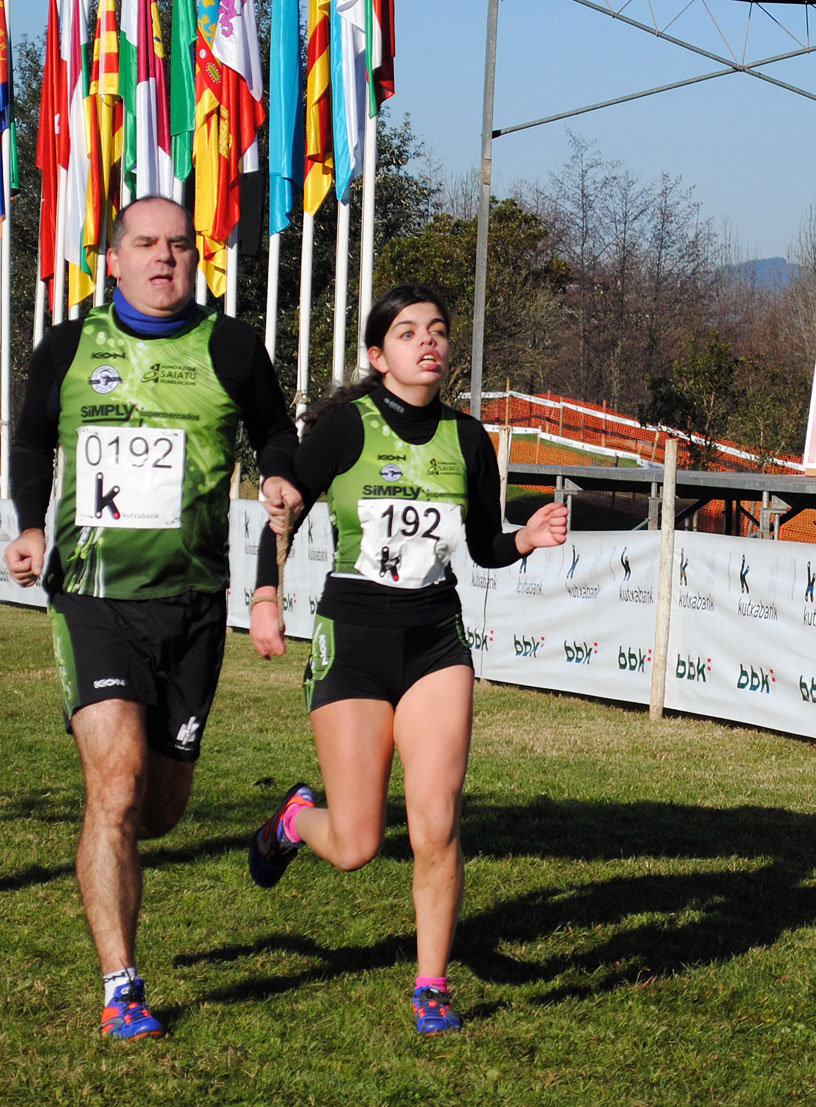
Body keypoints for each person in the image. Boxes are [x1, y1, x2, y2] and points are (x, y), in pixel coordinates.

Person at [3, 195, 301, 1042]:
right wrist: (30, 524)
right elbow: (31, 442)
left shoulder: (232, 347)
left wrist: (280, 475)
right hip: (93, 596)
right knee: (118, 785)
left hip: (193, 604)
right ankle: (121, 987)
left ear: (196, 258)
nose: (164, 256)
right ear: (113, 259)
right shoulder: (68, 347)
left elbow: (275, 432)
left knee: (160, 808)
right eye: (145, 243)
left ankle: (278, 823)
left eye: (178, 244)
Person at [246, 284, 569, 1035]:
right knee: (357, 843)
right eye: (407, 331)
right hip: (354, 641)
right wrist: (266, 594)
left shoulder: (470, 440)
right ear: (378, 354)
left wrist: (526, 538)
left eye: (438, 330)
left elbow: (483, 547)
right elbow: (283, 511)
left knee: (437, 820)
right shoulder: (344, 428)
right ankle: (294, 820)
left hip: (434, 641)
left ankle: (431, 984)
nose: (428, 341)